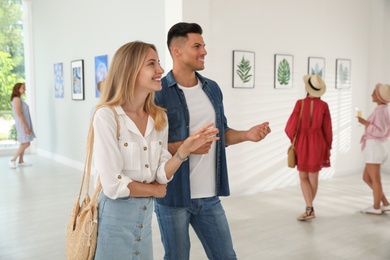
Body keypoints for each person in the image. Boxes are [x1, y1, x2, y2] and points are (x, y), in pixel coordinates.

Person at [154, 22, 271, 260]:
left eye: (204, 46)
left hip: (209, 197)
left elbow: (222, 133)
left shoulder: (212, 89)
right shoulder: (157, 93)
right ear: (176, 50)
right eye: (197, 46)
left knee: (226, 256)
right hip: (173, 197)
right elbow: (150, 149)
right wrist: (187, 147)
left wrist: (247, 134)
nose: (204, 51)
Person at [92, 41, 219, 260]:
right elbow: (113, 185)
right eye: (152, 63)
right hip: (113, 219)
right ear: (130, 70)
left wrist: (184, 151)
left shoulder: (158, 117)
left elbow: (160, 173)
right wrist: (153, 191)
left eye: (159, 62)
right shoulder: (107, 116)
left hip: (144, 219)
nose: (160, 70)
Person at [285, 75, 332, 221]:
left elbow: (290, 127)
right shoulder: (324, 106)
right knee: (313, 176)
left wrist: (294, 139)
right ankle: (309, 208)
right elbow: (328, 129)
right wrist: (328, 146)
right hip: (318, 142)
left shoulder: (300, 104)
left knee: (303, 176)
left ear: (307, 88)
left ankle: (309, 208)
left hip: (302, 142)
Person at [357, 83, 390, 215]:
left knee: (375, 180)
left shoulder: (381, 111)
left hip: (375, 147)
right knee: (367, 178)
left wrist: (365, 123)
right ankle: (385, 203)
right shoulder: (382, 110)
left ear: (379, 97)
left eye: (374, 93)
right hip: (375, 147)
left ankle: (376, 207)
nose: (371, 94)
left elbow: (380, 131)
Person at [9, 82, 36, 168]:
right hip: (22, 124)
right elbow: (19, 114)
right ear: (17, 89)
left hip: (24, 123)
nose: (25, 89)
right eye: (23, 88)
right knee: (27, 143)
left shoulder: (19, 99)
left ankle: (21, 161)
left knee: (24, 142)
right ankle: (13, 159)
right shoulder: (16, 99)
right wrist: (26, 127)